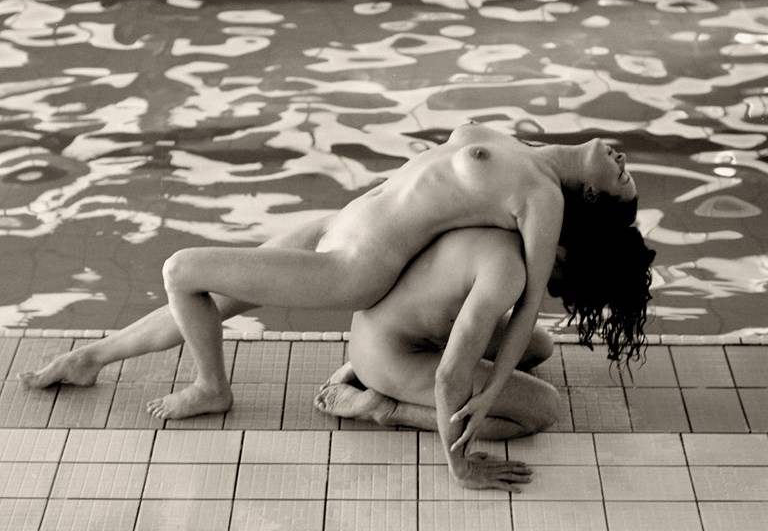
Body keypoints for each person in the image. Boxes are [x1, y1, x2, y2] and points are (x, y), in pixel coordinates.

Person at [20, 123, 645, 430]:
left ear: (590, 198)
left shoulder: (544, 198)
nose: (624, 164)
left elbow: (528, 299)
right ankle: (92, 357)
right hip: (339, 224)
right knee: (214, 294)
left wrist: (491, 388)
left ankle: (212, 387)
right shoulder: (524, 150)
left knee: (182, 269)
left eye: (623, 182)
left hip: (353, 268)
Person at [314, 200, 654, 490]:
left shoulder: (518, 221)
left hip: (382, 329)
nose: (564, 295)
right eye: (580, 287)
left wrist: (490, 390)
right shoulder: (508, 271)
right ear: (563, 256)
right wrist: (463, 469)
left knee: (538, 345)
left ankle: (368, 368)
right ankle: (384, 407)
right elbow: (449, 377)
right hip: (391, 354)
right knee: (542, 408)